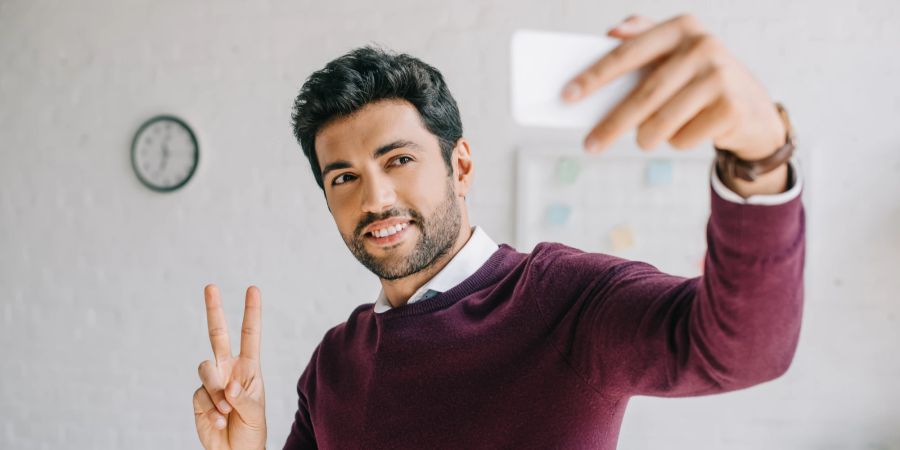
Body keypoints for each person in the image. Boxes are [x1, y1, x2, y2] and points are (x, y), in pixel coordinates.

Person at [192, 13, 805, 450]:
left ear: (460, 166)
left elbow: (744, 350)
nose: (375, 198)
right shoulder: (332, 365)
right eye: (344, 176)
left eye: (399, 160)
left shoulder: (568, 300)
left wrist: (761, 158)